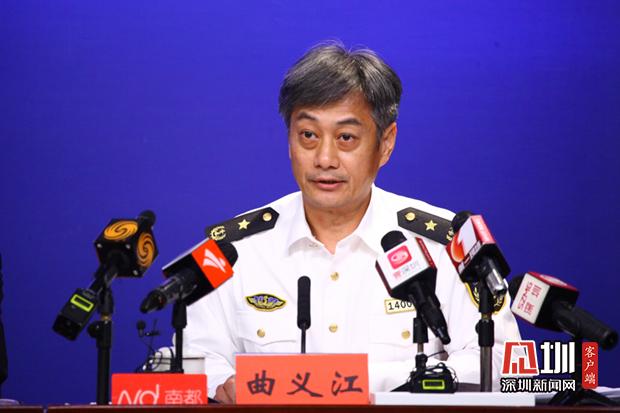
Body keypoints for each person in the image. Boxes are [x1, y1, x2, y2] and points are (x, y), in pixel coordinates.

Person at [182, 42, 521, 403]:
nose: (325, 158)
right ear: (289, 139)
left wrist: (363, 385)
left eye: (346, 138)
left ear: (385, 143)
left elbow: (503, 362)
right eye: (308, 135)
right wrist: (224, 384)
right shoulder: (233, 250)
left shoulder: (446, 246)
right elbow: (190, 357)